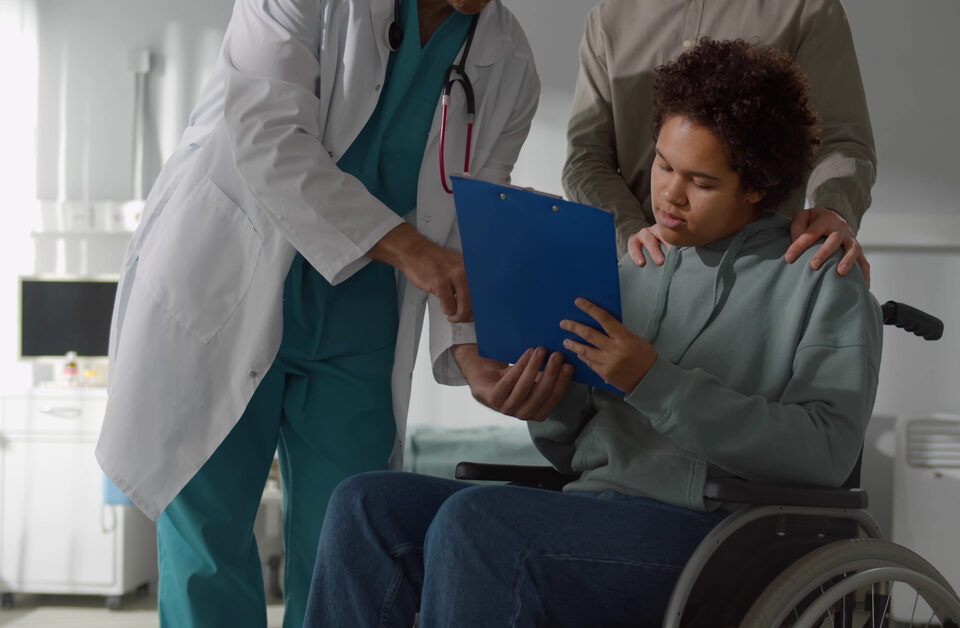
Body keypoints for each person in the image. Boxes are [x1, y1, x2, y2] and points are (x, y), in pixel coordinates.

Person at [304, 39, 882, 626]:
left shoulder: (820, 282)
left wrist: (654, 382)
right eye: (662, 165)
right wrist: (547, 402)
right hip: (594, 510)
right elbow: (571, 445)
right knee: (364, 505)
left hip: (719, 537)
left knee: (479, 523)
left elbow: (827, 453)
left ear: (756, 184)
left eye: (700, 182)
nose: (669, 195)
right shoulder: (633, 269)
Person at [94, 0, 558, 625]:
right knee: (207, 546)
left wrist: (470, 351)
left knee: (343, 555)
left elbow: (473, 222)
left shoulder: (511, 61)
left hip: (363, 325)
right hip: (230, 284)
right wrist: (414, 251)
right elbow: (269, 137)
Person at [563, 0, 876, 284]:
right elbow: (585, 159)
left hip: (756, 274)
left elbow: (841, 139)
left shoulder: (806, 9)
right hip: (633, 276)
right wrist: (637, 242)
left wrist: (834, 208)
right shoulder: (609, 18)